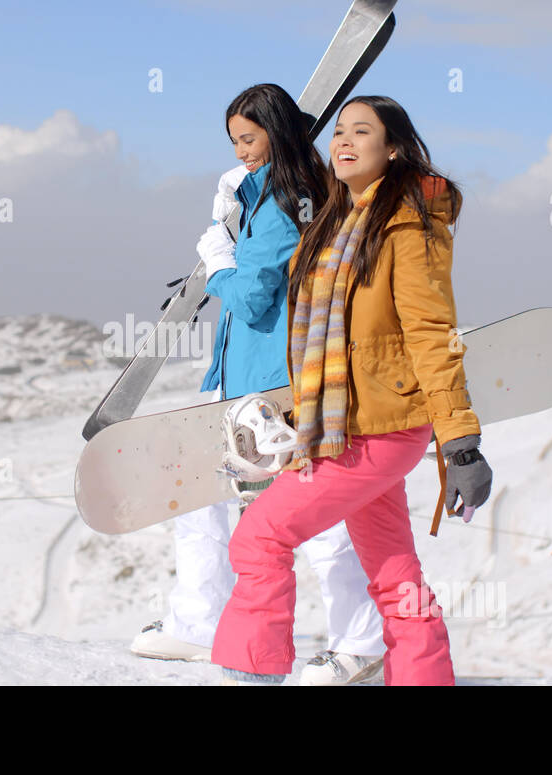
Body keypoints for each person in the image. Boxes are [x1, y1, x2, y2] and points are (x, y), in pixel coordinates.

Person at [210, 95, 495, 685]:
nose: (343, 141)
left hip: (380, 429)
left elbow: (432, 334)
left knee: (260, 536)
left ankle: (251, 675)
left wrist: (461, 445)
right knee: (395, 573)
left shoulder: (409, 226)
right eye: (339, 131)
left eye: (360, 132)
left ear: (391, 148)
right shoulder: (335, 221)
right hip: (342, 424)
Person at [130, 84, 388, 685]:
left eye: (249, 138)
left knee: (306, 511)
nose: (242, 151)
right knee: (203, 497)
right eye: (234, 142)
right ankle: (200, 624)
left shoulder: (277, 200)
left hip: (270, 383)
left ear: (275, 130)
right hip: (248, 376)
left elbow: (249, 297)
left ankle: (361, 639)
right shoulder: (284, 192)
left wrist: (219, 257)